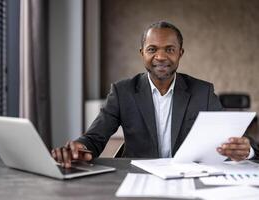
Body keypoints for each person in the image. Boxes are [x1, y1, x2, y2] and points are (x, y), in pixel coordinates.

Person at [52, 21, 258, 168]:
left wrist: (247, 149)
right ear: (142, 53)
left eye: (169, 49)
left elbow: (232, 138)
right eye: (152, 49)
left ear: (180, 53)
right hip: (137, 177)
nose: (161, 57)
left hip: (187, 178)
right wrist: (79, 149)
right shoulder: (122, 91)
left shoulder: (202, 92)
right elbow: (94, 138)